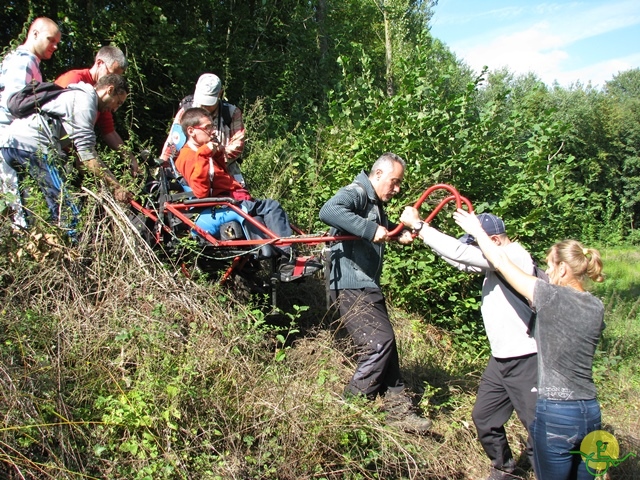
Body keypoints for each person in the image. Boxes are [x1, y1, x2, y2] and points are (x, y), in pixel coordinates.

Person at [453, 209, 605, 480]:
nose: (546, 271)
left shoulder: (548, 296)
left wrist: (477, 231)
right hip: (589, 409)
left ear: (562, 268)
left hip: (557, 410)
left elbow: (500, 260)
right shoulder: (596, 307)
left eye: (549, 265)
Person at [401, 208, 538, 478]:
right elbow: (461, 260)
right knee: (485, 417)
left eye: (478, 243)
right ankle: (504, 469)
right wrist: (424, 236)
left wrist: (420, 226)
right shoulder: (495, 261)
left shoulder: (513, 255)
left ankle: (552, 471)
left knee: (539, 427)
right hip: (501, 359)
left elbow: (464, 255)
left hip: (526, 357)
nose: (476, 251)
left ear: (495, 241)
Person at [318, 153, 432, 434]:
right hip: (351, 283)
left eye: (399, 184)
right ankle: (348, 410)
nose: (397, 189)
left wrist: (395, 235)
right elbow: (329, 211)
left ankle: (399, 411)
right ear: (378, 174)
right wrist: (370, 230)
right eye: (394, 182)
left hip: (365, 282)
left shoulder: (374, 203)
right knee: (378, 344)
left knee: (386, 345)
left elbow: (379, 232)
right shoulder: (356, 192)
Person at [175, 107, 319, 277]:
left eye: (213, 126)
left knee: (262, 215)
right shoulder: (189, 156)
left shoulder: (203, 151)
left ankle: (283, 263)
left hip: (231, 198)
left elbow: (222, 174)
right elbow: (201, 192)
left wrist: (218, 152)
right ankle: (287, 260)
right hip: (221, 204)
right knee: (271, 206)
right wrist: (204, 154)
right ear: (191, 131)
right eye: (207, 127)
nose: (212, 131)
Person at [0, 74, 133, 231]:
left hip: (10, 144)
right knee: (67, 210)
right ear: (109, 90)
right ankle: (74, 251)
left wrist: (99, 183)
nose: (114, 109)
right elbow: (87, 156)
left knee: (24, 211)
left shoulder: (75, 96)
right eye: (117, 102)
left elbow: (79, 159)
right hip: (33, 146)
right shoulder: (85, 103)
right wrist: (117, 186)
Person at [0, 17, 62, 227]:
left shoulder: (16, 58)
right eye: (50, 39)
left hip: (11, 140)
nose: (54, 46)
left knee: (17, 203)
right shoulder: (25, 60)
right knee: (17, 208)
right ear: (34, 34)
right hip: (9, 138)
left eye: (57, 42)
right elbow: (15, 103)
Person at [55, 45, 138, 175]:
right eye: (111, 74)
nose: (115, 81)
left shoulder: (103, 99)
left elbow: (108, 130)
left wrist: (129, 157)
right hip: (55, 149)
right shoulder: (75, 80)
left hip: (75, 151)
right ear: (99, 63)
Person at [160, 73, 245, 186]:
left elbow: (237, 145)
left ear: (220, 94)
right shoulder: (186, 112)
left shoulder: (231, 113)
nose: (204, 105)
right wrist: (163, 167)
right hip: (191, 175)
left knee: (241, 200)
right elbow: (172, 144)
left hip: (225, 173)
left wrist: (213, 157)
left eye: (209, 102)